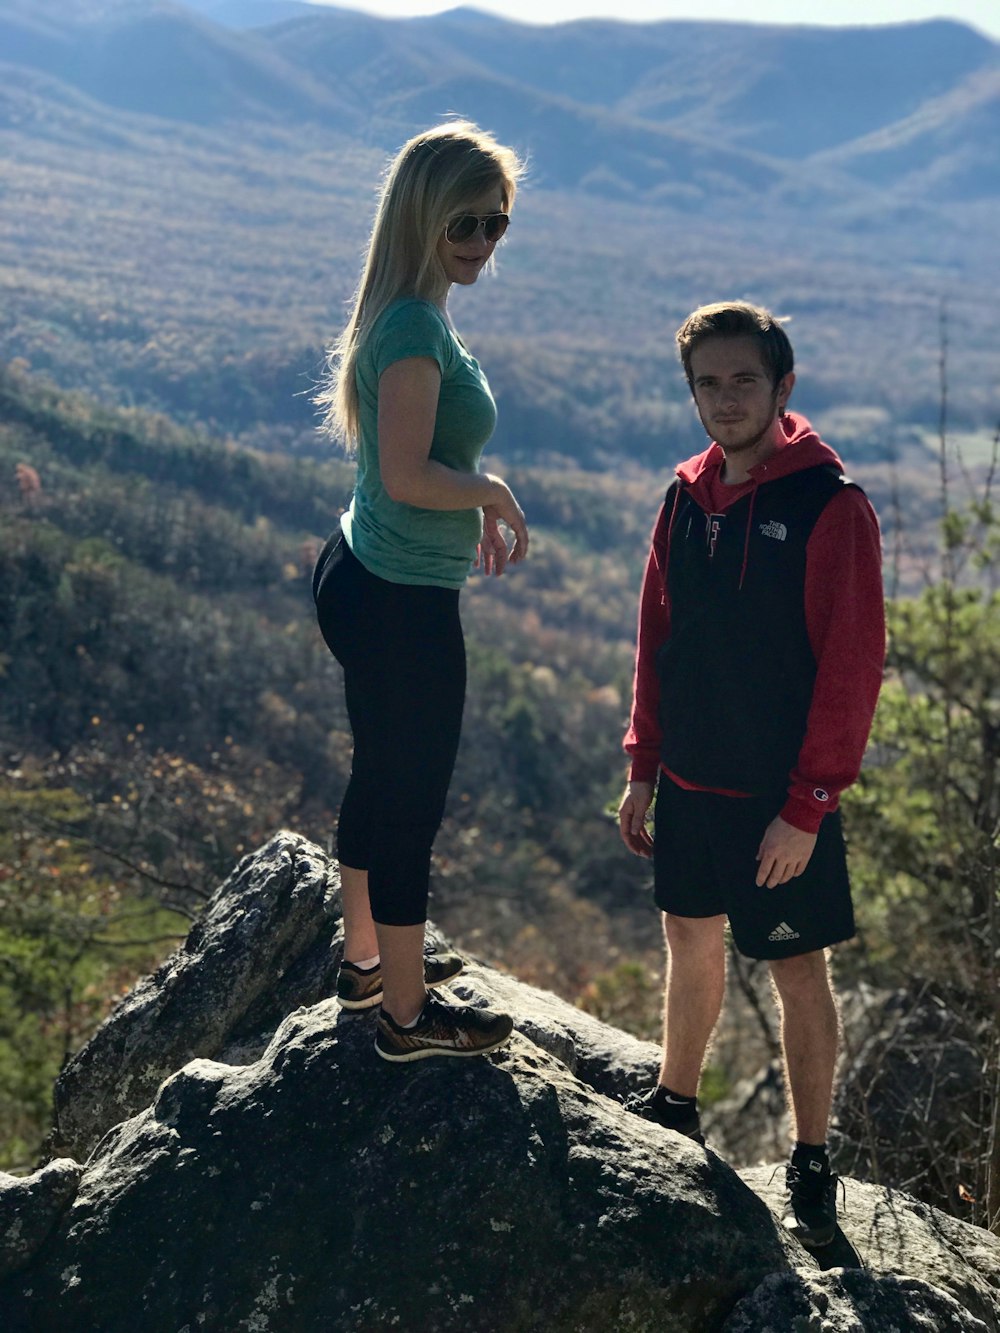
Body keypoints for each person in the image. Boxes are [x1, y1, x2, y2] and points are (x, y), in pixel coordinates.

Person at [618, 300, 885, 1247]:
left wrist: (809, 807)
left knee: (794, 970)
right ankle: (676, 1100)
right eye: (708, 383)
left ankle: (812, 1156)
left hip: (781, 803)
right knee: (689, 943)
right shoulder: (685, 497)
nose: (725, 399)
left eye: (743, 380)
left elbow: (853, 669)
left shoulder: (830, 505)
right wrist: (642, 766)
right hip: (688, 784)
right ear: (691, 392)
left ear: (783, 386)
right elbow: (661, 639)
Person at [312, 121, 529, 1062]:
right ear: (422, 219)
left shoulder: (414, 310)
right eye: (464, 225)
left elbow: (406, 466)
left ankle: (366, 965)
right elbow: (405, 473)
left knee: (379, 777)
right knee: (410, 808)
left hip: (366, 573)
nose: (482, 242)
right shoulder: (410, 328)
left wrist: (467, 486)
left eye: (497, 223)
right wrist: (487, 490)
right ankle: (406, 1018)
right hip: (401, 602)